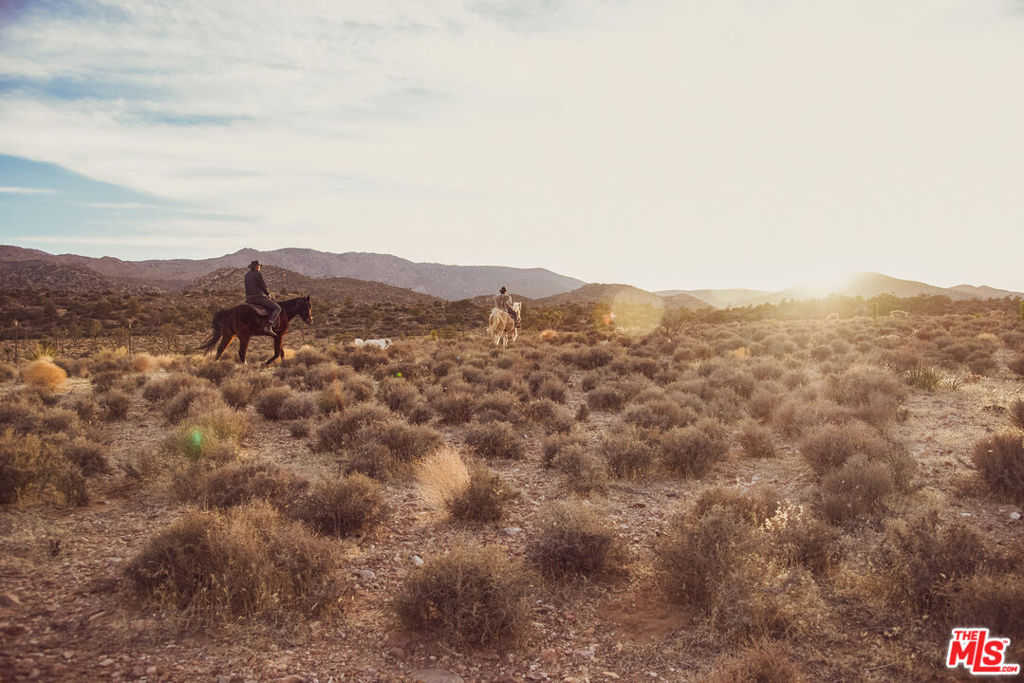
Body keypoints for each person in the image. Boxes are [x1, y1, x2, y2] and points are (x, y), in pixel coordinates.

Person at [245, 260, 280, 337]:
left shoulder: (246, 275)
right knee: (277, 308)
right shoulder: (258, 274)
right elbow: (262, 285)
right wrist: (268, 294)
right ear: (256, 267)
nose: (260, 267)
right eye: (259, 266)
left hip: (249, 299)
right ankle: (269, 326)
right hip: (258, 298)